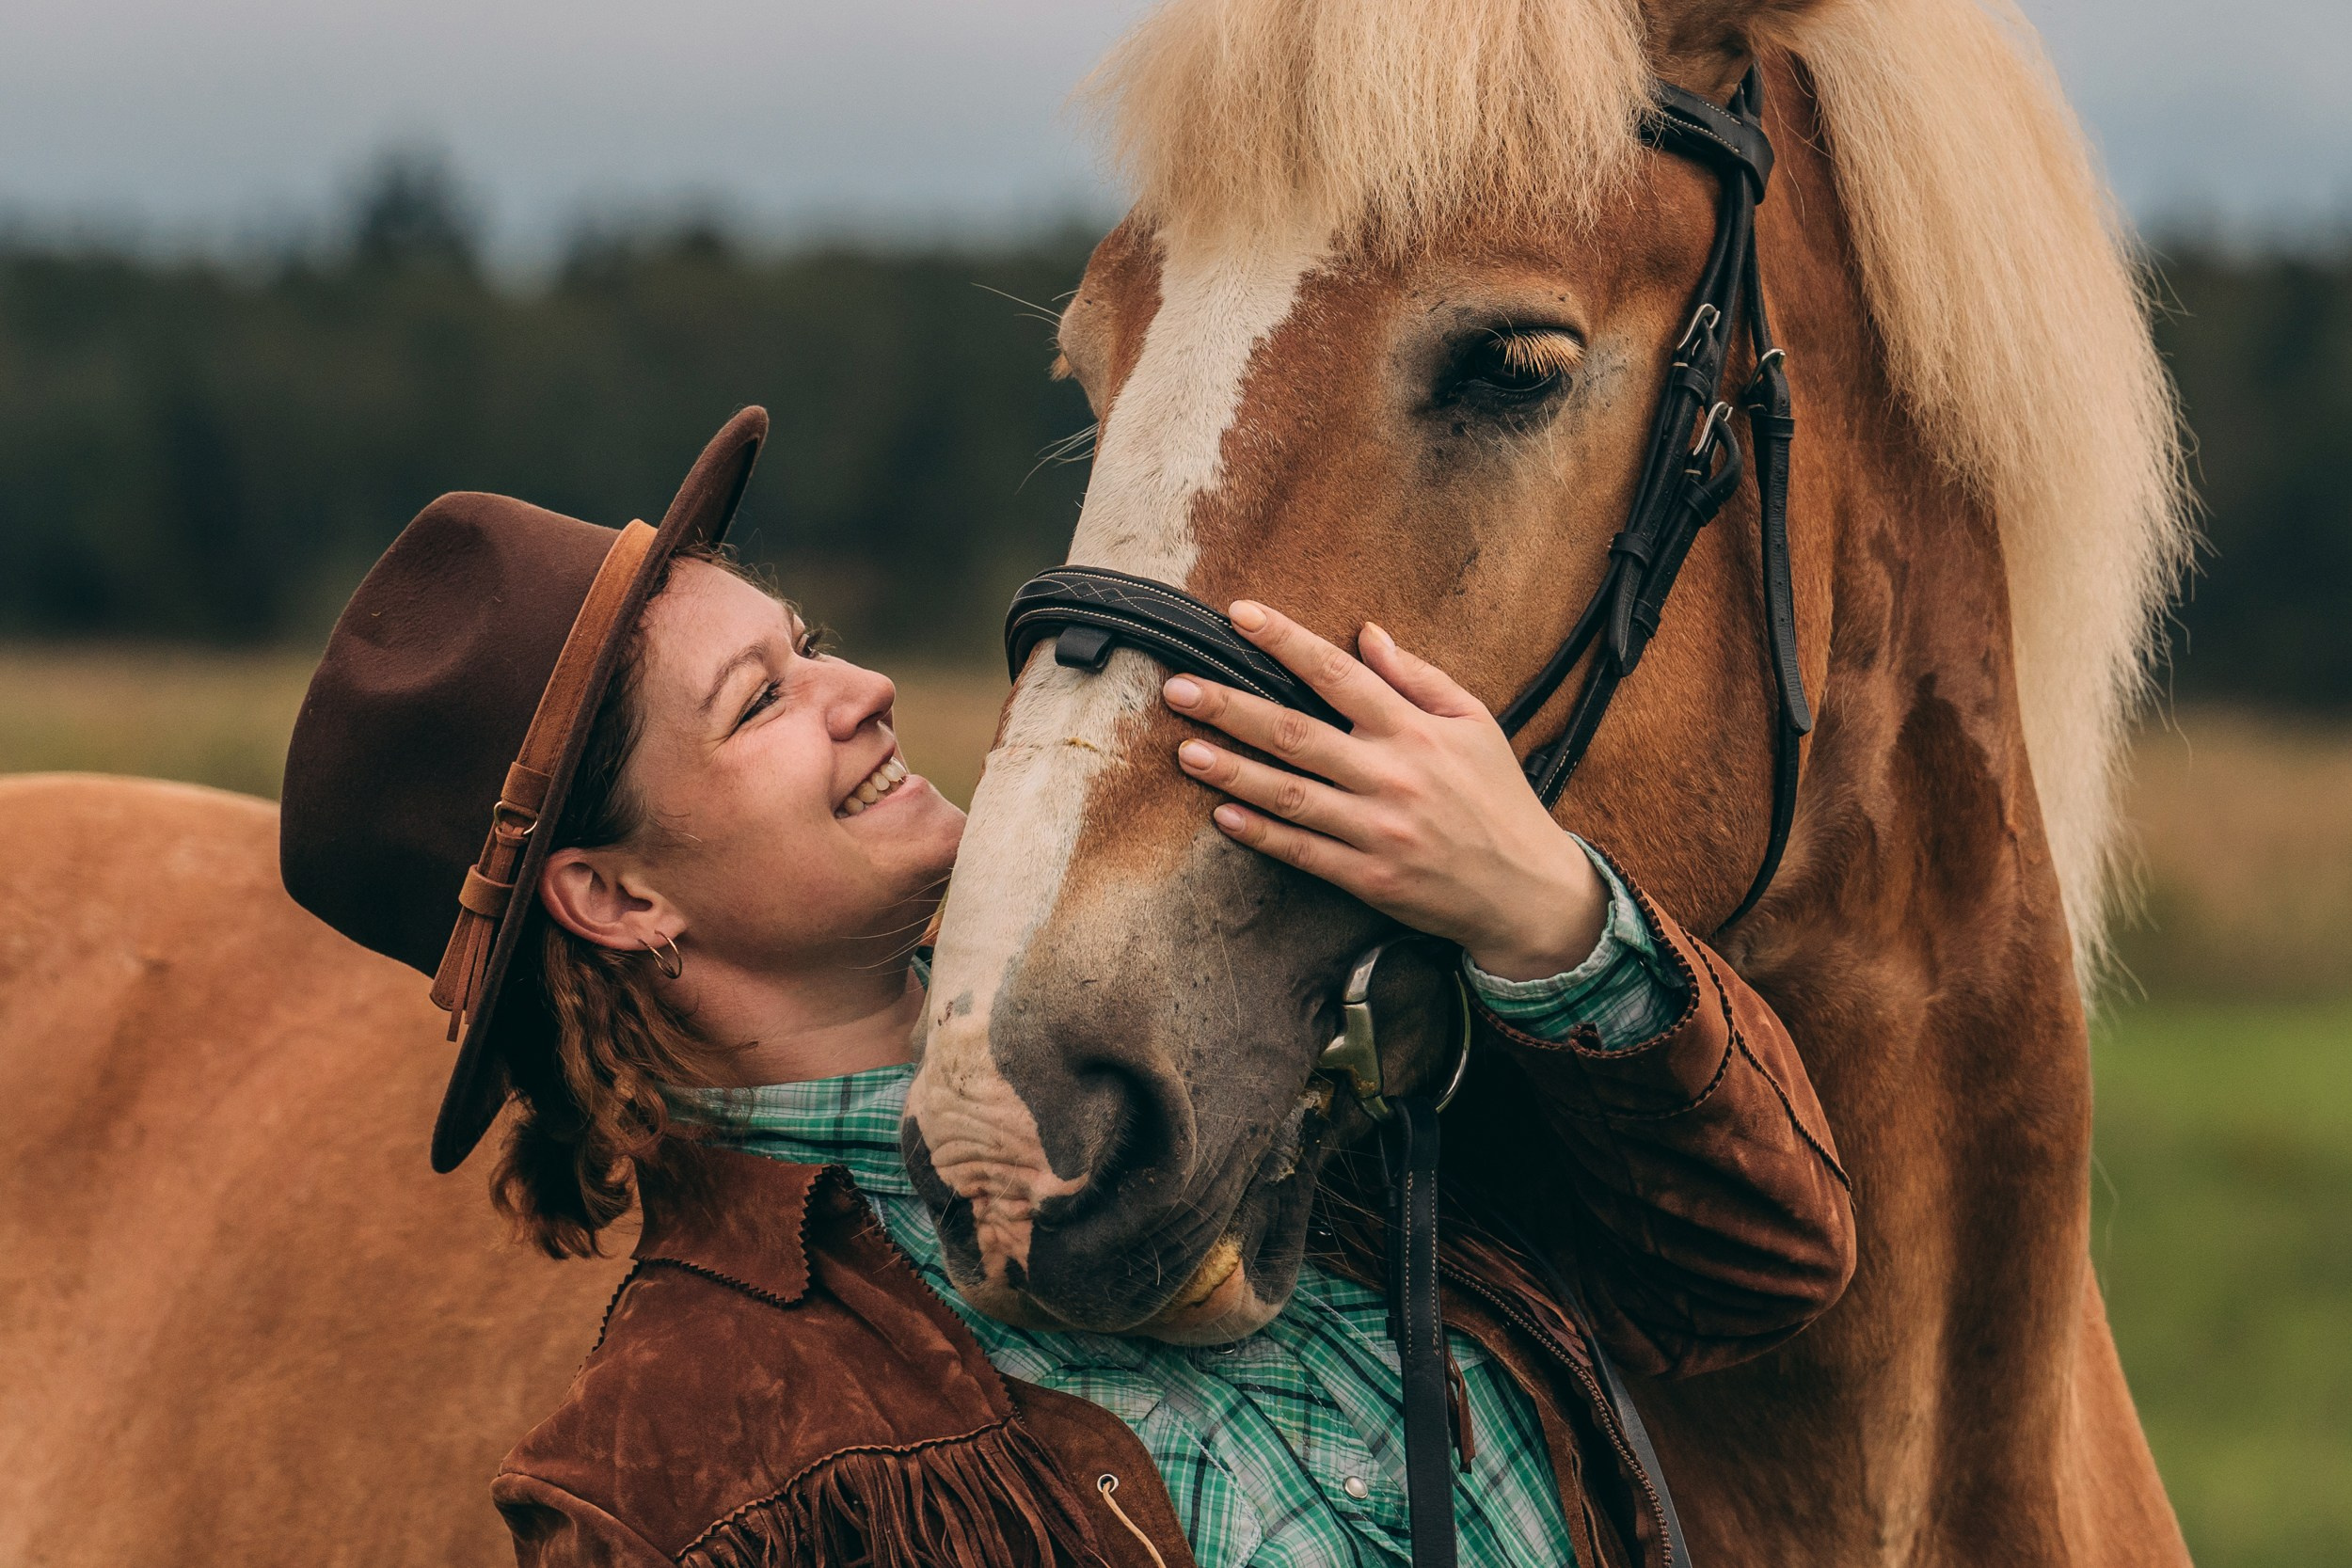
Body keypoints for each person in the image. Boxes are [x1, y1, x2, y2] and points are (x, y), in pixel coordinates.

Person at [279, 409, 1852, 1568]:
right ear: (617, 897)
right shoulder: (685, 1478)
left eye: (809, 642)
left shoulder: (1224, 1050)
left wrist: (1541, 909)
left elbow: (1755, 1268)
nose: (861, 689)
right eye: (760, 700)